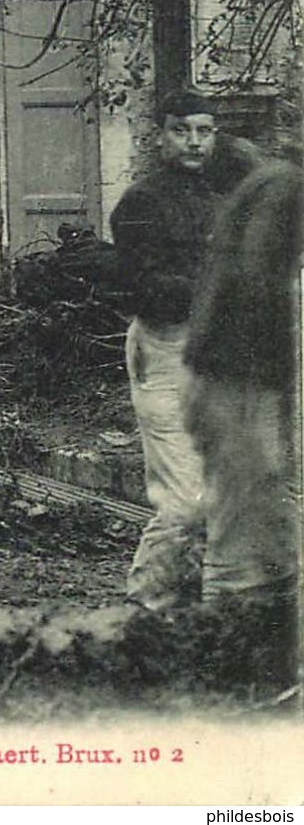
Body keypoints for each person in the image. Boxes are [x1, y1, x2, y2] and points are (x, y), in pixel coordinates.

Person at [109, 94, 259, 610]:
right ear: (160, 136)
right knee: (185, 500)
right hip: (166, 351)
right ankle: (143, 610)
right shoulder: (140, 204)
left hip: (217, 353)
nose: (194, 141)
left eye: (204, 130)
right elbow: (146, 290)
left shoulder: (219, 200)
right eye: (181, 131)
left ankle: (190, 608)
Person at [183, 162, 301, 609]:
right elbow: (261, 280)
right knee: (242, 494)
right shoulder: (285, 189)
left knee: (264, 488)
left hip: (243, 368)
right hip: (237, 370)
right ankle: (222, 630)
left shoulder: (277, 181)